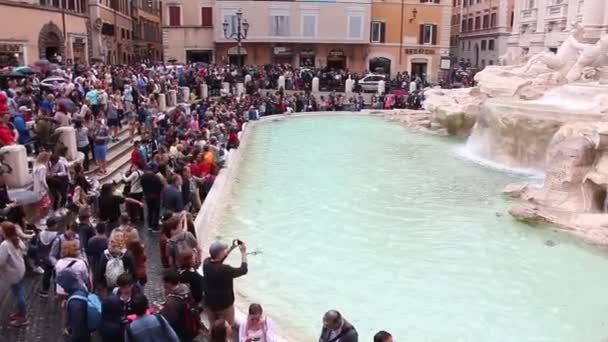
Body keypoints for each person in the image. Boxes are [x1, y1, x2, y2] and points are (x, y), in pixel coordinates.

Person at [203, 240, 248, 327]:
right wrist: (243, 253)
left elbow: (218, 260)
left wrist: (231, 248)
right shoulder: (225, 269)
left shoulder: (206, 263)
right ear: (220, 253)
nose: (224, 251)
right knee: (227, 328)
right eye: (223, 250)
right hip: (224, 306)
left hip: (209, 303)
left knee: (213, 328)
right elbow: (243, 270)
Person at [0, 222, 29, 327]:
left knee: (18, 293)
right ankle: (21, 314)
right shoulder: (16, 239)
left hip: (12, 274)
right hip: (20, 269)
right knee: (19, 291)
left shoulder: (5, 244)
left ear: (5, 231)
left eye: (1, 229)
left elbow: (1, 262)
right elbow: (25, 250)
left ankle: (23, 317)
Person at [160, 269, 199, 342]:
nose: (162, 284)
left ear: (169, 283)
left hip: (181, 330)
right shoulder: (184, 287)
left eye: (163, 281)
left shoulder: (172, 301)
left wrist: (162, 309)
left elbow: (170, 320)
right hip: (190, 325)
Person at [56, 270, 91, 342]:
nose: (62, 287)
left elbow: (78, 328)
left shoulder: (76, 302)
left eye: (62, 285)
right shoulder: (80, 287)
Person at [141, 164, 163, 232]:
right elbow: (160, 186)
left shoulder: (143, 176)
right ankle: (155, 227)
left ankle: (149, 226)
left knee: (149, 210)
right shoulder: (156, 177)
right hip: (156, 196)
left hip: (147, 196)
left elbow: (142, 184)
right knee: (156, 211)